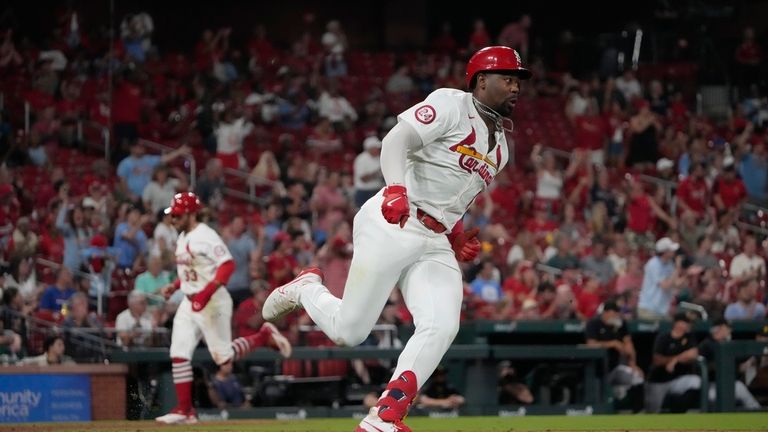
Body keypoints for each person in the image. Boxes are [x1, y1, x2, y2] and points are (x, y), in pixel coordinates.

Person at [262, 46, 532, 432]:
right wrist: (395, 189)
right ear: (480, 80)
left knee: (442, 323)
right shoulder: (451, 103)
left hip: (435, 238)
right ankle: (307, 289)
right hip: (395, 220)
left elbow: (453, 197)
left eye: (518, 79)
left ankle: (386, 413)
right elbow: (395, 141)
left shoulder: (502, 148)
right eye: (507, 77)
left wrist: (455, 235)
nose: (515, 85)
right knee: (349, 332)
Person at [155, 192, 292, 425]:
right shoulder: (182, 236)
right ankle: (184, 410)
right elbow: (193, 270)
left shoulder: (205, 235)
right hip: (191, 300)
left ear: (190, 213)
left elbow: (227, 265)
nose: (174, 219)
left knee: (224, 357)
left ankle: (263, 336)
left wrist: (205, 294)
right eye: (173, 215)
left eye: (177, 215)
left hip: (213, 301)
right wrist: (175, 285)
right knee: (179, 353)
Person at [585, 301, 644, 411]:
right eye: (612, 314)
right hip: (596, 371)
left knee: (637, 377)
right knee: (598, 399)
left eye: (617, 314)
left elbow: (629, 344)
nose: (615, 316)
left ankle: (637, 412)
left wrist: (633, 364)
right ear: (605, 313)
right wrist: (613, 343)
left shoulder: (620, 324)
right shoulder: (594, 323)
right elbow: (591, 344)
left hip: (614, 368)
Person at [698, 319, 761, 409]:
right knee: (712, 398)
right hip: (710, 385)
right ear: (719, 329)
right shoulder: (707, 344)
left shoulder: (726, 344)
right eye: (727, 328)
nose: (729, 331)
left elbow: (738, 359)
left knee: (742, 391)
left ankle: (758, 415)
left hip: (729, 384)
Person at [645, 312, 701, 413]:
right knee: (652, 412)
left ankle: (679, 410)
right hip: (659, 380)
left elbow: (693, 354)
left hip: (677, 380)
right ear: (677, 324)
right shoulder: (664, 338)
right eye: (686, 323)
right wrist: (675, 359)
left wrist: (675, 360)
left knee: (695, 381)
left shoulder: (689, 337)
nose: (689, 325)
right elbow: (657, 360)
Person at [637, 237, 687, 320]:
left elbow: (675, 284)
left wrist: (687, 275)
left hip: (662, 309)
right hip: (649, 309)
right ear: (665, 252)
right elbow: (665, 286)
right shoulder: (653, 264)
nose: (674, 252)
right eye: (671, 250)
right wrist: (677, 268)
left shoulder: (669, 264)